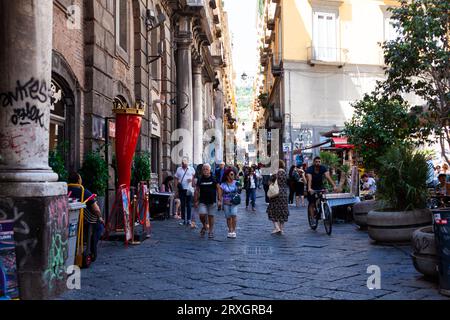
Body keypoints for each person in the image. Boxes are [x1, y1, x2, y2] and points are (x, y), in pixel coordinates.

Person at [68, 172, 103, 263]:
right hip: (83, 220)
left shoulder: (65, 189)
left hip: (68, 218)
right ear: (79, 180)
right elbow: (96, 209)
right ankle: (92, 250)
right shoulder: (83, 191)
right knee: (99, 227)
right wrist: (100, 217)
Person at [193, 164, 222, 239]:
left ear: (210, 170)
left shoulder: (214, 178)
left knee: (211, 216)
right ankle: (205, 226)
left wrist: (219, 200)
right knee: (202, 214)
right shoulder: (200, 178)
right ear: (202, 171)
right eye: (204, 169)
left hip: (212, 201)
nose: (205, 171)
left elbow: (219, 189)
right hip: (202, 201)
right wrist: (195, 200)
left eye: (207, 169)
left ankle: (210, 231)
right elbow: (197, 190)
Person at [267, 160, 289, 235]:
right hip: (284, 194)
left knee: (272, 210)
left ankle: (277, 228)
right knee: (282, 211)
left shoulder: (275, 174)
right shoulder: (286, 174)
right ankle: (281, 229)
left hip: (276, 194)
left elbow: (269, 182)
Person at [218, 168, 240, 238]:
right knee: (228, 217)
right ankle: (229, 230)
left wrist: (239, 186)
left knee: (234, 214)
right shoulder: (223, 184)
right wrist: (219, 201)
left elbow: (239, 192)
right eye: (231, 174)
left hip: (234, 202)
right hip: (226, 202)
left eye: (233, 174)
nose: (232, 176)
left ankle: (233, 230)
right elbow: (220, 194)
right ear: (227, 175)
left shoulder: (236, 182)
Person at [174, 158, 196, 226]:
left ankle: (189, 220)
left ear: (187, 163)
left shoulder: (191, 169)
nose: (184, 165)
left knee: (189, 204)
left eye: (185, 163)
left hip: (189, 189)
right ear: (181, 163)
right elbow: (176, 178)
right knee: (182, 204)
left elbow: (194, 177)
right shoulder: (179, 169)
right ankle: (183, 220)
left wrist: (192, 181)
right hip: (181, 189)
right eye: (183, 163)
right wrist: (176, 188)